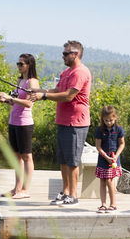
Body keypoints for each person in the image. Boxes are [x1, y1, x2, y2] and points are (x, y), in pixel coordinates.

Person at [30, 40, 91, 206]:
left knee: (72, 161)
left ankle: (73, 195)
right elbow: (57, 91)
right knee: (63, 160)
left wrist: (44, 96)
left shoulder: (80, 72)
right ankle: (65, 192)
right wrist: (38, 91)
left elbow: (68, 96)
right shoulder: (66, 72)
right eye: (63, 53)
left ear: (75, 54)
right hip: (63, 121)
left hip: (76, 123)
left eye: (65, 53)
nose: (62, 56)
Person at [0, 54, 40, 199]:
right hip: (13, 121)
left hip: (25, 123)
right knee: (16, 157)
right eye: (18, 63)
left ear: (29, 65)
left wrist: (11, 98)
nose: (19, 66)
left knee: (27, 156)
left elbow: (29, 103)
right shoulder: (20, 80)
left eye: (21, 64)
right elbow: (15, 101)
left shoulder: (32, 82)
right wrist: (6, 100)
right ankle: (17, 189)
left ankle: (25, 190)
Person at [95, 106, 125, 213]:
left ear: (115, 117)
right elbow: (98, 146)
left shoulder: (119, 130)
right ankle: (103, 204)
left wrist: (116, 156)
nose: (108, 122)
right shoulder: (99, 130)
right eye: (106, 120)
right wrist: (105, 156)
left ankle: (113, 204)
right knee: (102, 181)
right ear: (102, 119)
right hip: (103, 159)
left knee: (109, 180)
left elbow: (122, 144)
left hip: (113, 159)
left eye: (111, 120)